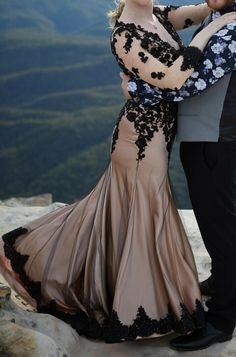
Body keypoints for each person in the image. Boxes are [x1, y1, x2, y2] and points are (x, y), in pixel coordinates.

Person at [0, 0, 235, 344]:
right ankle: (144, 298)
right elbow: (177, 75)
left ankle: (217, 309)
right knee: (141, 214)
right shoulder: (128, 33)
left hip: (182, 137)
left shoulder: (172, 17)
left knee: (141, 212)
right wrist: (209, 27)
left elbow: (191, 50)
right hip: (142, 141)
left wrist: (135, 86)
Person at [123, 0, 236, 350]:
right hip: (204, 135)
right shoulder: (220, 15)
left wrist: (132, 87)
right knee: (218, 221)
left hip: (216, 139)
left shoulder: (232, 29)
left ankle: (222, 320)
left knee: (220, 226)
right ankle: (223, 282)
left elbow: (187, 85)